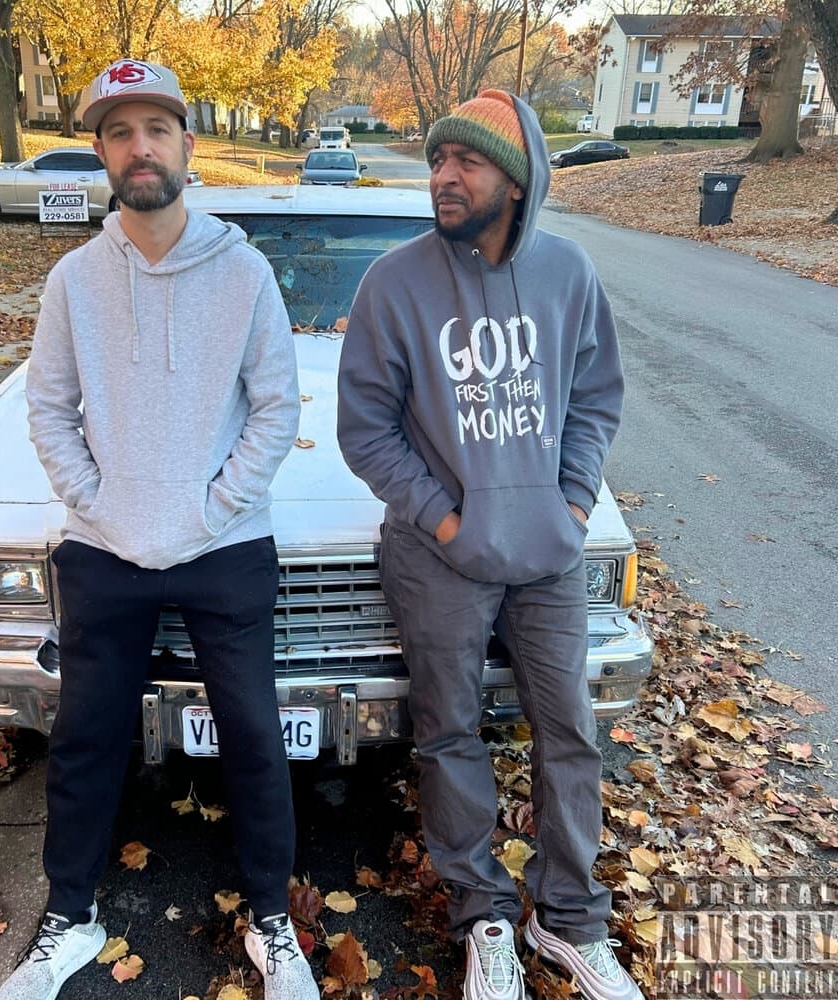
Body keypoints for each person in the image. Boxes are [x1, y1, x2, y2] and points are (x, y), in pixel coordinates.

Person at [0, 58, 317, 1000]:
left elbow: (276, 409)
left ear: (186, 144)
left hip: (225, 545)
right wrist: (97, 503)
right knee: (86, 737)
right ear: (102, 153)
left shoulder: (245, 272)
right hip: (103, 547)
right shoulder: (73, 281)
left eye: (156, 129)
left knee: (253, 733)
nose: (140, 148)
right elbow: (48, 409)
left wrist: (211, 509)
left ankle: (270, 919)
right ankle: (70, 916)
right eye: (119, 132)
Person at [336, 90, 642, 1000]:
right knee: (449, 735)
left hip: (547, 555)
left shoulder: (568, 273)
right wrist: (444, 520)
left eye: (466, 162)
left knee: (570, 732)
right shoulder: (394, 283)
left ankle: (569, 917)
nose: (444, 176)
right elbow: (365, 428)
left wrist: (573, 505)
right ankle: (485, 919)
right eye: (438, 160)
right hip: (437, 558)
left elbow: (596, 396)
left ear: (516, 180)